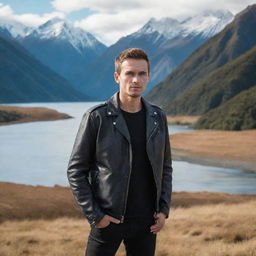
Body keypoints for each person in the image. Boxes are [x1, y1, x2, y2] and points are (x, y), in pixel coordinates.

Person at [67, 48, 173, 256]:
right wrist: (96, 215)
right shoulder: (96, 117)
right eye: (130, 73)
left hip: (147, 223)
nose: (136, 80)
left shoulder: (158, 117)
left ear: (149, 77)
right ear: (117, 77)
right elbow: (75, 171)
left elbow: (166, 167)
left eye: (142, 74)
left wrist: (163, 209)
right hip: (109, 220)